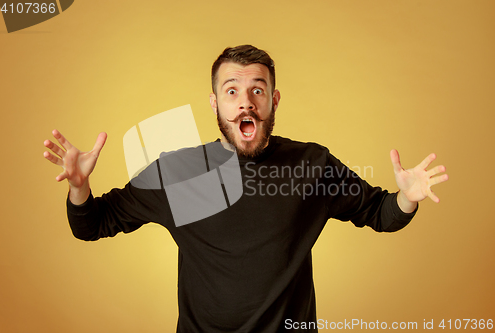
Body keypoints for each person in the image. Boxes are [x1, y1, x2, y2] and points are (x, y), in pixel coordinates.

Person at [43, 45, 448, 332]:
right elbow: (91, 224)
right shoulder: (178, 171)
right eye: (231, 90)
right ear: (214, 103)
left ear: (273, 99)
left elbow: (380, 213)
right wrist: (80, 186)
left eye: (257, 89)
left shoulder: (312, 165)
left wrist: (407, 198)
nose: (245, 102)